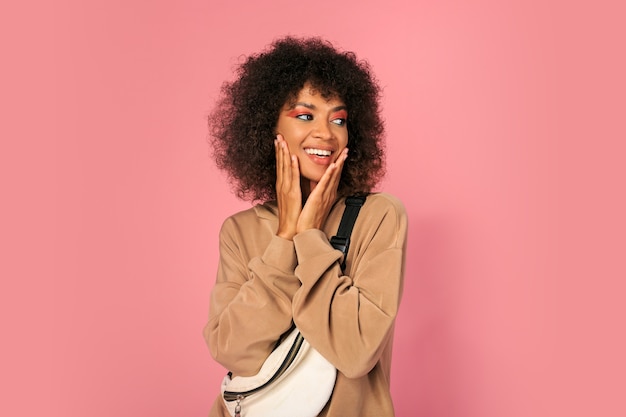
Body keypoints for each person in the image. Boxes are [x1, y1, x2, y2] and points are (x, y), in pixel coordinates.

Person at [203, 36, 408, 417]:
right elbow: (234, 351)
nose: (326, 133)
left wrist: (310, 237)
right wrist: (285, 237)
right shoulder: (239, 231)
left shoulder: (379, 216)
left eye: (339, 119)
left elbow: (358, 350)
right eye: (304, 116)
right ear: (268, 127)